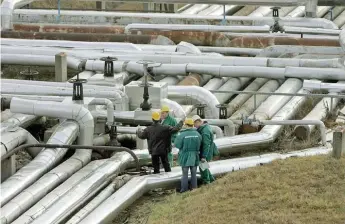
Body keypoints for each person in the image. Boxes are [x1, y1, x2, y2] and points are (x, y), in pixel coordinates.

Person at [174, 118, 202, 193]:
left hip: (185, 156)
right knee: (194, 173)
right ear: (192, 125)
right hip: (194, 155)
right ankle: (194, 188)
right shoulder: (197, 134)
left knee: (185, 173)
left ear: (186, 125)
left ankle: (184, 189)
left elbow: (177, 145)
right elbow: (200, 144)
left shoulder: (182, 134)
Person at [192, 115, 219, 184]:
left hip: (205, 151)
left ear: (198, 122)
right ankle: (212, 180)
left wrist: (204, 156)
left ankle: (207, 183)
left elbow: (206, 144)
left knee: (203, 168)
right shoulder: (205, 127)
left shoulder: (205, 131)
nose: (194, 126)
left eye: (194, 124)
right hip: (205, 151)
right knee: (205, 167)